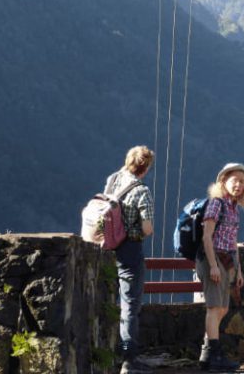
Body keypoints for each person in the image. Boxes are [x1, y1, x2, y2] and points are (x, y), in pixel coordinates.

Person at [197, 162, 244, 371]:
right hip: (212, 259)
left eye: (243, 182)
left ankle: (207, 354)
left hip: (226, 262)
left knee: (223, 308)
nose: (239, 185)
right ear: (223, 181)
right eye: (235, 180)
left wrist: (238, 270)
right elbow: (206, 237)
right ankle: (214, 356)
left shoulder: (233, 208)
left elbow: (233, 243)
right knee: (214, 307)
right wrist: (212, 265)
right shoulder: (217, 204)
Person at [106, 145, 156, 374]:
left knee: (107, 300)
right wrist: (137, 231)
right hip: (129, 251)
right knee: (129, 304)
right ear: (145, 168)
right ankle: (129, 360)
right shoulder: (142, 191)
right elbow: (147, 228)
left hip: (106, 248)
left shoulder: (113, 179)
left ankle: (106, 355)